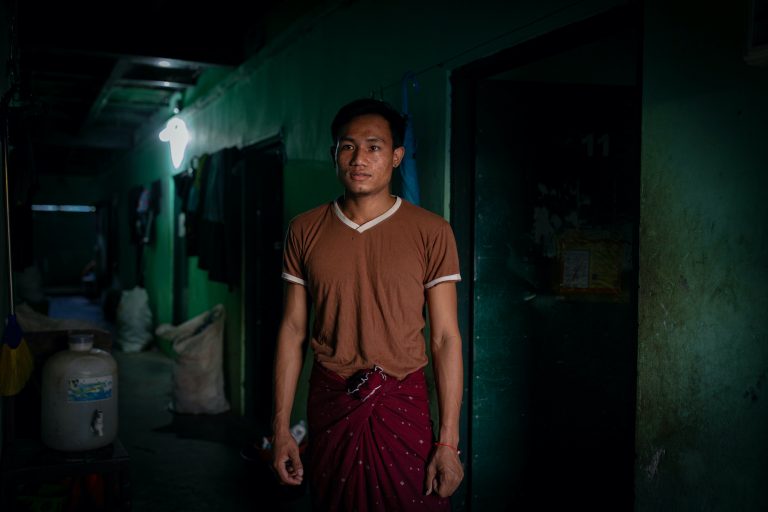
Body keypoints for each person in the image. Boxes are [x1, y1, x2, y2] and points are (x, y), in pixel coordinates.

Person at [271, 98, 464, 511]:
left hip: (403, 401)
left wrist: (448, 440)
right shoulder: (304, 230)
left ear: (396, 156)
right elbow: (292, 329)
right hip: (332, 399)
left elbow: (445, 338)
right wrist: (282, 427)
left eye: (374, 147)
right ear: (333, 154)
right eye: (347, 146)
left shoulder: (432, 231)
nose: (359, 158)